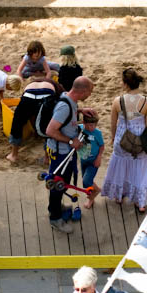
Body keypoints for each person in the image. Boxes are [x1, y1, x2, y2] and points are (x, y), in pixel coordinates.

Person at [45, 76, 95, 233]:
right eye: (90, 92)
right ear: (83, 91)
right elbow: (50, 130)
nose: (90, 94)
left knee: (60, 183)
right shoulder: (64, 107)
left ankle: (56, 207)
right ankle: (55, 218)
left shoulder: (69, 99)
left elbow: (67, 114)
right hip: (60, 154)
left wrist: (79, 110)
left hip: (65, 152)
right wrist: (70, 141)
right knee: (57, 184)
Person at [102, 69, 147, 212]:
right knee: (140, 169)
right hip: (140, 142)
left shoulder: (118, 101)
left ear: (125, 84)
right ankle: (140, 202)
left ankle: (119, 195)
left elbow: (113, 124)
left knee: (120, 166)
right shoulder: (146, 102)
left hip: (122, 140)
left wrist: (113, 138)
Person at [6, 78, 61, 163]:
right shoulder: (54, 85)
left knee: (17, 123)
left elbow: (31, 115)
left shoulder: (31, 83)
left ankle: (14, 155)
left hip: (29, 94)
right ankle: (47, 157)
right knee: (47, 125)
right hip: (47, 94)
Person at [78, 113, 104, 209]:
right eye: (89, 125)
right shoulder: (79, 128)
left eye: (94, 125)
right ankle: (95, 190)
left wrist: (99, 157)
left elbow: (102, 146)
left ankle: (93, 196)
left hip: (93, 161)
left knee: (87, 180)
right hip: (83, 160)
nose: (91, 127)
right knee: (86, 183)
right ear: (83, 123)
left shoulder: (97, 133)